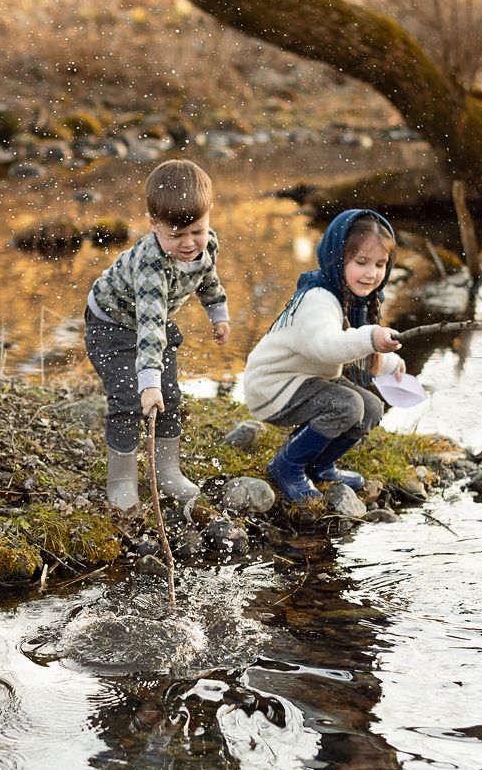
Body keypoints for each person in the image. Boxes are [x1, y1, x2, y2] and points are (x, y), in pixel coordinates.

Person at [84, 159, 231, 512]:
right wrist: (146, 381)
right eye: (176, 235)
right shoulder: (151, 264)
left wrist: (218, 314)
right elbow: (149, 325)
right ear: (154, 225)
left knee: (170, 394)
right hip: (112, 325)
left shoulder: (206, 244)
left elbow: (208, 279)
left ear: (208, 215)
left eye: (196, 230)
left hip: (154, 321)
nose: (188, 243)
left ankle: (167, 469)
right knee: (130, 398)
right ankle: (121, 480)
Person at [243, 209, 405, 502]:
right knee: (347, 405)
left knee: (370, 407)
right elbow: (327, 347)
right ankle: (288, 466)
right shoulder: (318, 298)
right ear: (337, 257)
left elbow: (355, 350)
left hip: (307, 379)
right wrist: (371, 338)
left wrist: (390, 361)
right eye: (361, 262)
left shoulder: (354, 300)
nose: (372, 273)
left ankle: (319, 464)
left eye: (380, 264)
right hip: (273, 385)